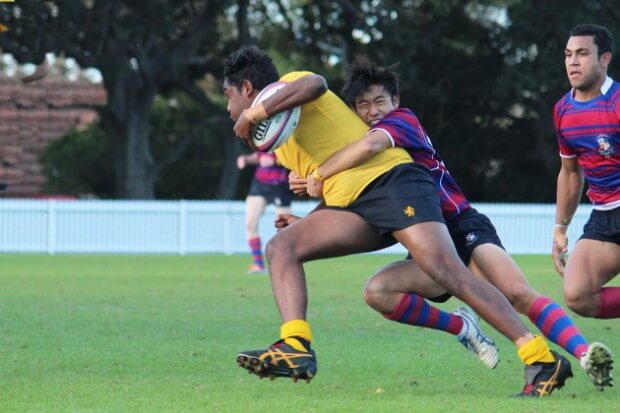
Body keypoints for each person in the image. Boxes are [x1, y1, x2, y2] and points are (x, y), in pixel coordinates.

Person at [222, 45, 571, 397]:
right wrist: (309, 214)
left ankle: (540, 357)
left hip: (394, 181)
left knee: (447, 271)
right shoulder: (282, 139)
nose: (228, 108)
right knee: (282, 246)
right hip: (356, 207)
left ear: (247, 89)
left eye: (228, 96)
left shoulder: (290, 86)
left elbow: (315, 82)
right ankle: (296, 345)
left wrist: (254, 114)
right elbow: (338, 187)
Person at [292, 54, 613, 391]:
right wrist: (310, 215)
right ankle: (462, 327)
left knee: (517, 293)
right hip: (428, 245)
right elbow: (355, 198)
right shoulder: (358, 150)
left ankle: (583, 354)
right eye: (363, 105)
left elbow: (370, 146)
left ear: (395, 101)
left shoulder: (399, 121)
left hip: (460, 225)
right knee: (378, 292)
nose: (373, 111)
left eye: (379, 101)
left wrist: (320, 173)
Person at [552, 23, 619, 346]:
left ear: (604, 59)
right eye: (568, 55)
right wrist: (560, 229)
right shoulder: (563, 110)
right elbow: (570, 173)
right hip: (604, 217)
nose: (573, 62)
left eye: (582, 54)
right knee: (578, 294)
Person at [237, 151, 292, 274]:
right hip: (260, 185)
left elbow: (296, 158)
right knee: (250, 224)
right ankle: (258, 265)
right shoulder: (262, 135)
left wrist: (275, 161)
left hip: (280, 186)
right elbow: (259, 156)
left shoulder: (287, 135)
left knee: (284, 230)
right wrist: (246, 159)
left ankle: (286, 264)